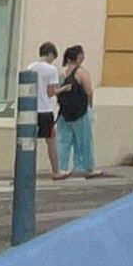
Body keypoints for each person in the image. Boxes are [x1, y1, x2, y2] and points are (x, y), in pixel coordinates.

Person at [54, 47, 98, 177]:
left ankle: (61, 167)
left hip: (64, 112)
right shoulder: (81, 72)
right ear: (78, 57)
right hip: (80, 111)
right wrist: (90, 107)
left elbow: (56, 91)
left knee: (62, 141)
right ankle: (86, 167)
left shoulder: (61, 73)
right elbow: (89, 92)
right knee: (84, 140)